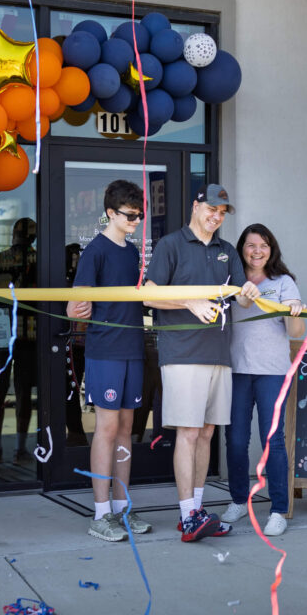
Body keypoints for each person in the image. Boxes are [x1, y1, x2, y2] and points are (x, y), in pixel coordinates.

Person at [144, 184, 260, 542]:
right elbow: (149, 293)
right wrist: (191, 303)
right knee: (189, 432)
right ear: (196, 206)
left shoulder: (227, 251)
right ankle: (187, 513)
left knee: (208, 432)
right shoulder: (171, 245)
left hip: (219, 354)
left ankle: (194, 511)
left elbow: (240, 300)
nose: (217, 216)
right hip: (182, 353)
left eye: (223, 212)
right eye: (212, 208)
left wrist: (250, 293)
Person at [66, 180, 152, 541]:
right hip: (104, 351)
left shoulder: (132, 253)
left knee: (126, 431)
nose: (135, 221)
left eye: (139, 215)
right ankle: (100, 514)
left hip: (133, 347)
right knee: (105, 428)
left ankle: (121, 508)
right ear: (110, 214)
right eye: (130, 216)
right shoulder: (95, 251)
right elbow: (74, 304)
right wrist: (76, 306)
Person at [220, 224, 304, 536]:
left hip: (272, 371)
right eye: (251, 245)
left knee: (273, 441)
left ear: (272, 249)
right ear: (241, 248)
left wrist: (294, 313)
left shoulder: (283, 282)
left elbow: (296, 334)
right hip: (237, 370)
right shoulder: (232, 280)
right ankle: (239, 501)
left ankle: (279, 509)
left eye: (264, 245)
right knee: (237, 440)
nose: (257, 251)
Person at [0, 217, 38, 465]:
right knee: (21, 392)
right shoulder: (40, 259)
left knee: (2, 393)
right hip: (27, 333)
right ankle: (17, 448)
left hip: (6, 332)